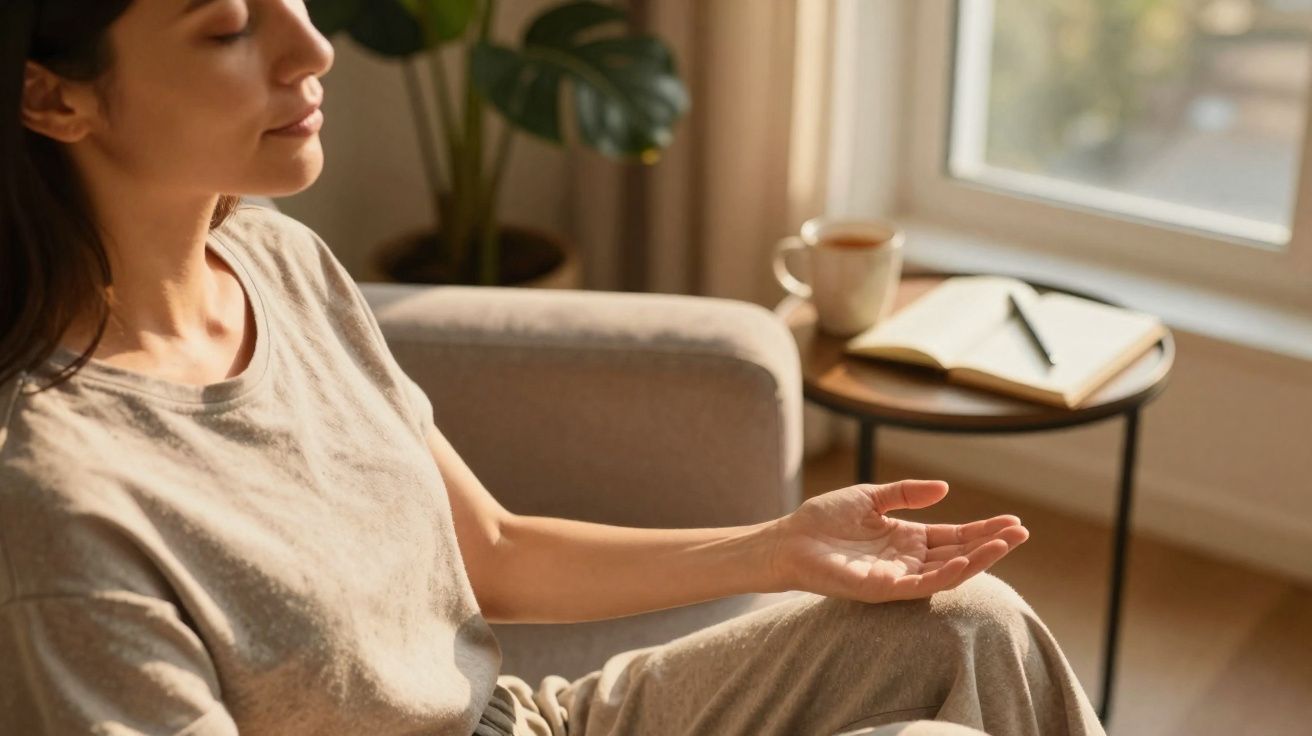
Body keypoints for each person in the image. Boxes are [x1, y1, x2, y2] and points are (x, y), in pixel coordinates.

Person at [0, 1, 1106, 735]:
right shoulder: (62, 498)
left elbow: (489, 550)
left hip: (526, 721)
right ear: (56, 97)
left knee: (975, 624)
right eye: (229, 28)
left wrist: (778, 548)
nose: (312, 47)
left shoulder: (275, 260)